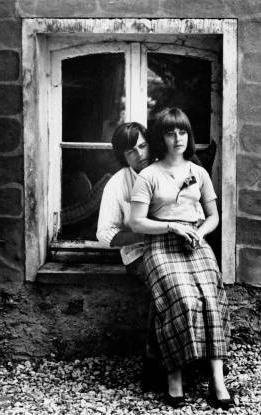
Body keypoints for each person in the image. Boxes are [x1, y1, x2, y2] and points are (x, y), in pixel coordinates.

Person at [129, 108, 233, 409]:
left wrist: (199, 233)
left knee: (210, 299)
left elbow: (213, 216)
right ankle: (174, 376)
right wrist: (172, 226)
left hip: (195, 243)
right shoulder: (149, 175)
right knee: (182, 299)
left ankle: (217, 379)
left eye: (183, 132)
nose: (178, 138)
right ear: (161, 137)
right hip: (160, 245)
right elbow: (137, 223)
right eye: (171, 133)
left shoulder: (198, 172)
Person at [96, 122, 163, 390]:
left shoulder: (165, 170)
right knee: (165, 284)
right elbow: (104, 234)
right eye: (130, 151)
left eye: (143, 145)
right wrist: (146, 234)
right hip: (139, 254)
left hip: (173, 247)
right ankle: (154, 366)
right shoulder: (118, 183)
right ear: (123, 156)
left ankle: (203, 358)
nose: (139, 154)